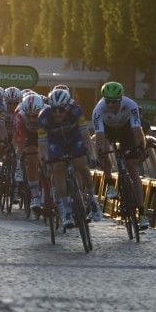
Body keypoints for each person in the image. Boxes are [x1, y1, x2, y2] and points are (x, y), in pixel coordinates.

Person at [39, 89, 100, 229]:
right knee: (57, 168)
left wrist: (92, 155)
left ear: (68, 107)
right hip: (55, 141)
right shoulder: (44, 117)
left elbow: (85, 135)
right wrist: (44, 160)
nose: (58, 113)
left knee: (81, 164)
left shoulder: (76, 111)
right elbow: (42, 143)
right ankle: (66, 209)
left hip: (74, 137)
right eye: (54, 110)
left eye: (61, 110)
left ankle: (92, 199)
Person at [93, 81, 149, 230]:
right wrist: (101, 153)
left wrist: (141, 148)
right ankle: (110, 184)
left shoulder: (131, 106)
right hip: (108, 130)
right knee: (103, 151)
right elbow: (99, 136)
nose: (111, 105)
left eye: (114, 102)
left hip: (126, 130)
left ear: (121, 99)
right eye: (108, 101)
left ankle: (142, 214)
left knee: (132, 168)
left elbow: (137, 131)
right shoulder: (99, 110)